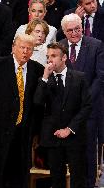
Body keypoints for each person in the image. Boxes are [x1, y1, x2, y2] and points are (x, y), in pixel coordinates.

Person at [0, 34, 44, 188]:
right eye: (22, 47)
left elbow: (38, 104)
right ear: (13, 48)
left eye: (29, 49)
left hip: (23, 132)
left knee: (19, 177)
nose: (25, 51)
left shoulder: (37, 70)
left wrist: (36, 132)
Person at [34, 42, 92, 188]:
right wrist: (45, 77)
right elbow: (37, 103)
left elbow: (87, 106)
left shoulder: (80, 77)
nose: (49, 60)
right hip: (53, 137)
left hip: (74, 135)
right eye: (48, 57)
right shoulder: (44, 80)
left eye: (53, 56)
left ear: (64, 57)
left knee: (78, 178)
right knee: (56, 179)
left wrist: (69, 129)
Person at [59, 13, 104, 188]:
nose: (75, 33)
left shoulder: (96, 45)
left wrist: (83, 101)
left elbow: (100, 78)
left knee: (88, 152)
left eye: (77, 29)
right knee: (69, 152)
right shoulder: (59, 46)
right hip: (65, 112)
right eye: (70, 30)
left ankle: (89, 184)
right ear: (64, 31)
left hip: (90, 110)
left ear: (82, 27)